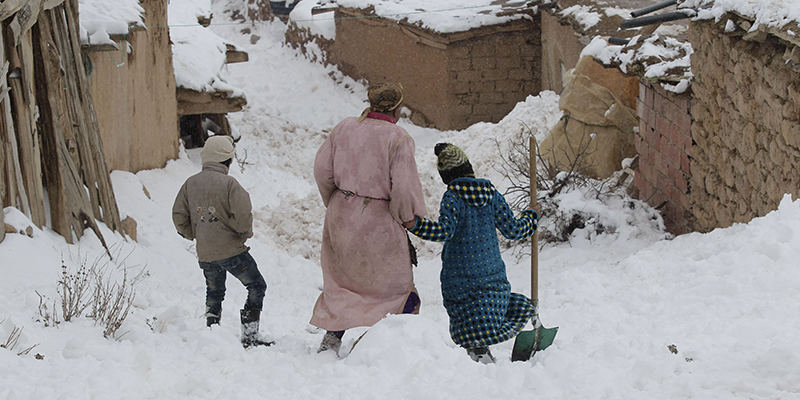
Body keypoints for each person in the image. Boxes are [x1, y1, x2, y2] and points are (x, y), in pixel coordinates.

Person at [311, 82, 426, 354]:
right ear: (398, 106)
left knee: (343, 281)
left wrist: (338, 202)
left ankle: (332, 337)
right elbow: (404, 187)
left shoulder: (344, 128)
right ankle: (392, 342)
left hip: (341, 215)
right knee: (394, 286)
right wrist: (409, 218)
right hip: (379, 221)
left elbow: (321, 170)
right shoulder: (398, 138)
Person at [406, 143, 539, 363]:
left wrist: (416, 225)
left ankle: (477, 350)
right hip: (492, 276)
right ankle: (483, 347)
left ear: (446, 177)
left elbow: (443, 231)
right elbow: (514, 230)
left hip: (460, 277)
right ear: (469, 168)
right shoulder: (491, 194)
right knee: (501, 307)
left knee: (467, 319)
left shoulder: (453, 197)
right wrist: (532, 216)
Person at [172, 135, 272, 348]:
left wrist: (194, 234)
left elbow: (179, 215)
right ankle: (249, 336)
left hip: (205, 253)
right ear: (228, 160)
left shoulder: (190, 183)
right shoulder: (230, 184)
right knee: (256, 285)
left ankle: (212, 332)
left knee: (214, 291)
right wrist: (243, 233)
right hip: (232, 252)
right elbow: (243, 216)